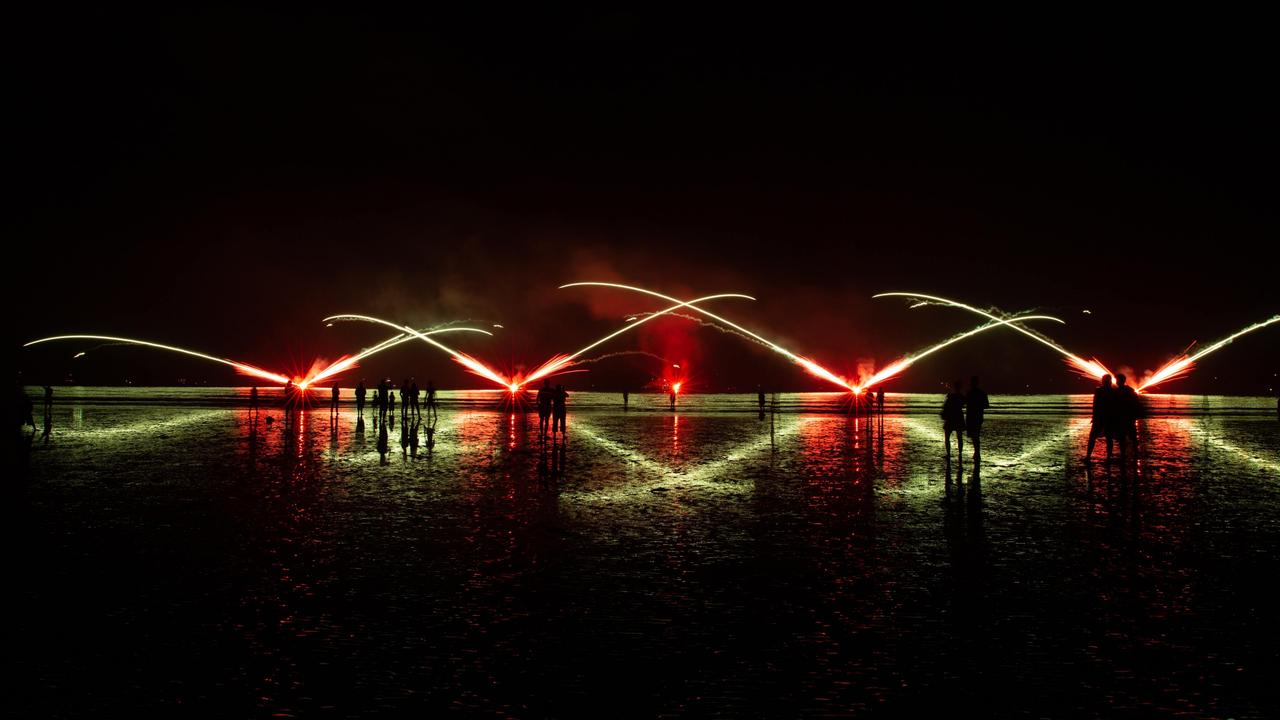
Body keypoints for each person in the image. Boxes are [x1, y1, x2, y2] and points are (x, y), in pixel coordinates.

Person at [1086, 374, 1114, 462]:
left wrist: (1094, 416)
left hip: (1100, 417)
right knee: (1109, 438)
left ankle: (1088, 456)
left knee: (1093, 437)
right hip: (1109, 417)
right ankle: (1109, 457)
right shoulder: (1113, 391)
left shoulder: (1099, 390)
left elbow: (1095, 404)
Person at [1113, 374, 1141, 453]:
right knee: (1132, 437)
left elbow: (1114, 405)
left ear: (1120, 381)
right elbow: (1136, 403)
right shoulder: (1130, 390)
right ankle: (1135, 454)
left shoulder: (1117, 391)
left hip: (1122, 418)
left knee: (1122, 438)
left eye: (1117, 380)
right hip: (1129, 417)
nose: (1116, 382)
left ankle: (1124, 455)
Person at [941, 380, 966, 462]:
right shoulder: (961, 396)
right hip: (958, 416)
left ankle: (948, 454)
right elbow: (964, 404)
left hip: (951, 417)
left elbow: (946, 406)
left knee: (947, 437)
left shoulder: (951, 396)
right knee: (959, 436)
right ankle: (960, 453)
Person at [966, 376, 990, 459]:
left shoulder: (969, 393)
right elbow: (986, 405)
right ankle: (976, 452)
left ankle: (977, 453)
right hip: (979, 416)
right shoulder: (982, 393)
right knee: (976, 435)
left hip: (971, 416)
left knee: (974, 435)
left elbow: (965, 403)